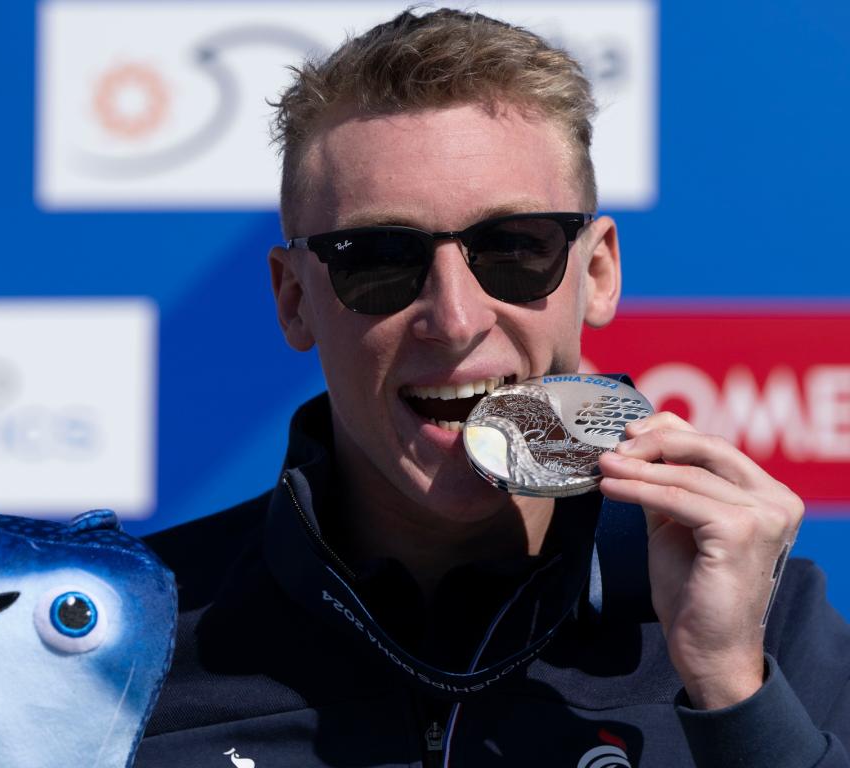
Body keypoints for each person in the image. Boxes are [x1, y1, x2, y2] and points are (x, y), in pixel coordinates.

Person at [134, 8, 850, 766]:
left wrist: (730, 691)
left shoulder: (764, 623)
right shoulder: (135, 640)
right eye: (378, 257)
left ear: (598, 273)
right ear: (294, 300)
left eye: (514, 247)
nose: (454, 318)